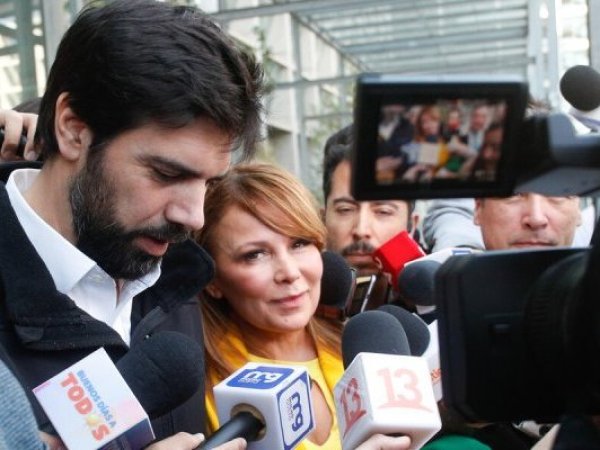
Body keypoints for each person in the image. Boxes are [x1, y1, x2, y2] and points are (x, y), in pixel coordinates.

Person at [0, 0, 262, 448]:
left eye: (209, 182)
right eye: (166, 174)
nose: (193, 216)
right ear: (72, 129)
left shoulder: (180, 276)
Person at [194, 163, 345, 449]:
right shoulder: (197, 392)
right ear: (212, 280)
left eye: (300, 243)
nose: (289, 272)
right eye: (255, 254)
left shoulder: (356, 348)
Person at [322, 125, 418, 278]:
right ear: (322, 221)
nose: (361, 230)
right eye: (345, 209)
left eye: (383, 211)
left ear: (411, 226)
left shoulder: (442, 291)